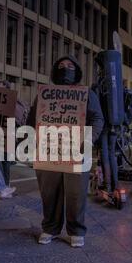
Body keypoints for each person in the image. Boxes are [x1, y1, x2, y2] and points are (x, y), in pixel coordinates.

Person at [30, 56, 104, 248]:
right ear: (55, 71)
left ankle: (76, 230)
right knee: (49, 192)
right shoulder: (44, 94)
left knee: (76, 193)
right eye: (61, 66)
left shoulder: (87, 93)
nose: (66, 69)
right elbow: (32, 119)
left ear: (77, 71)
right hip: (49, 149)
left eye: (70, 66)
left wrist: (88, 140)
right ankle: (50, 228)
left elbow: (97, 118)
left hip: (78, 150)